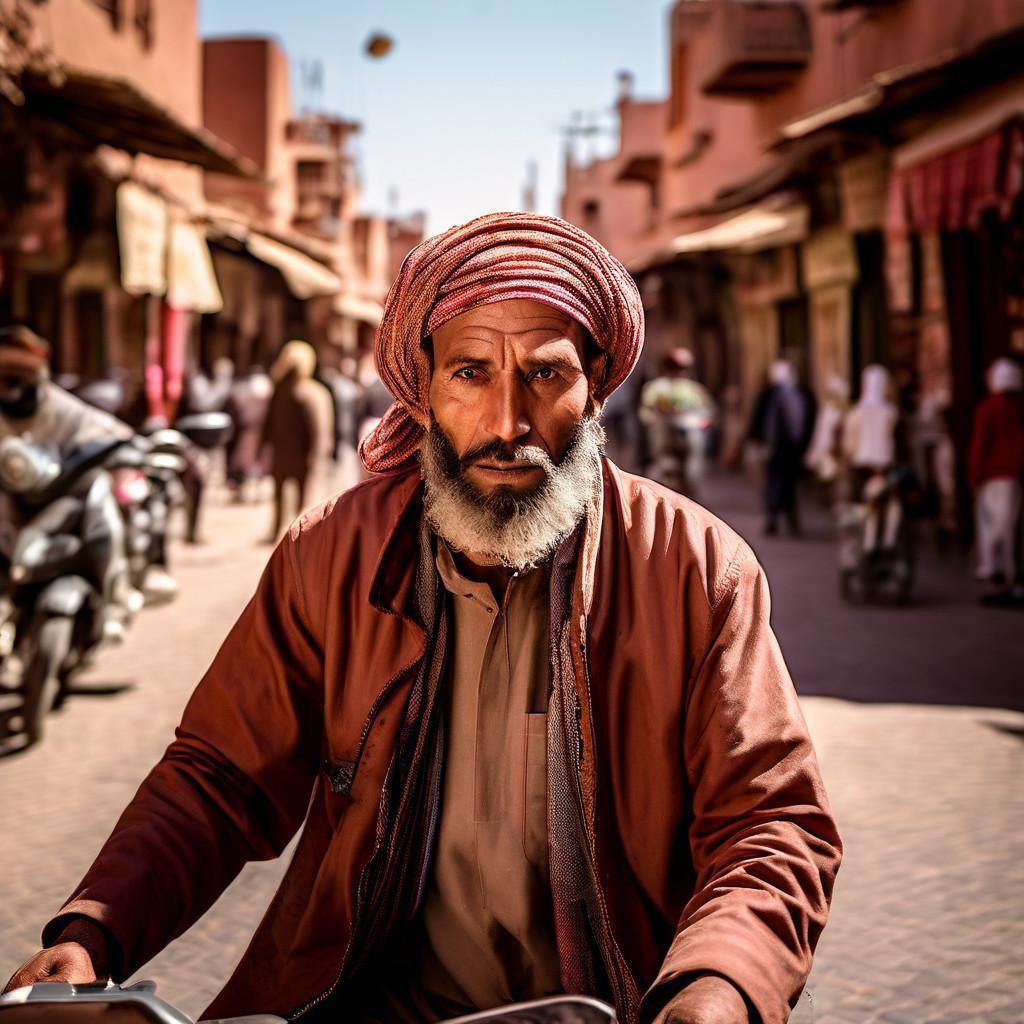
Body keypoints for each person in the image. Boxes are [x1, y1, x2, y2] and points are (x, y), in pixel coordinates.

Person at [5, 214, 841, 1024]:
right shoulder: (332, 554)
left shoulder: (694, 569)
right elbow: (221, 777)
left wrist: (718, 984)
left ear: (594, 386)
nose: (508, 423)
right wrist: (95, 930)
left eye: (545, 375)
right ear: (425, 389)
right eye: (470, 373)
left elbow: (769, 822)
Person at [0, 326, 137, 635]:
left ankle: (115, 600)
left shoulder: (60, 407)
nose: (9, 386)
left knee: (104, 514)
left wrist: (129, 446)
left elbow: (109, 430)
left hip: (54, 496)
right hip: (9, 497)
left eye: (18, 375)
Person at [261, 340, 334, 542]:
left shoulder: (280, 391)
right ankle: (299, 534)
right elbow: (322, 434)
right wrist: (320, 458)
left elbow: (267, 425)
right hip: (301, 458)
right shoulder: (313, 394)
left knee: (283, 498)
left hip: (285, 456)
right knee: (303, 501)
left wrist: (262, 448)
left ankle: (285, 532)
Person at [969, 357, 1024, 592]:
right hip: (1013, 474)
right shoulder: (1017, 410)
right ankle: (1008, 571)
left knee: (993, 525)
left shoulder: (988, 410)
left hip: (992, 476)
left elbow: (980, 444)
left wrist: (974, 473)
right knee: (1008, 524)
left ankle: (997, 569)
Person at [748, 359, 816, 535]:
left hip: (788, 449)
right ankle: (778, 519)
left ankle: (784, 519)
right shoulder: (772, 395)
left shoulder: (800, 394)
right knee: (779, 483)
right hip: (779, 448)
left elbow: (808, 422)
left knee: (784, 484)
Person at [639, 348, 715, 497]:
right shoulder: (657, 387)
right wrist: (656, 422)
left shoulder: (694, 389)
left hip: (690, 434)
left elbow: (708, 411)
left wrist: (702, 422)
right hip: (665, 434)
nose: (679, 372)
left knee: (692, 472)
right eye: (675, 367)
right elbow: (646, 411)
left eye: (682, 368)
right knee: (665, 471)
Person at [225, 365, 272, 502]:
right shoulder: (264, 388)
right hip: (254, 430)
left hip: (252, 430)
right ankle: (250, 491)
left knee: (250, 461)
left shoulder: (246, 389)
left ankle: (250, 491)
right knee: (250, 462)